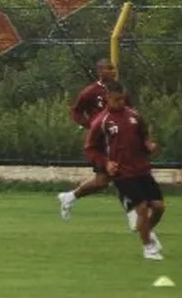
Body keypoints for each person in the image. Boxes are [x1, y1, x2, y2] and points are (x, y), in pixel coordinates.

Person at [84, 81, 165, 260]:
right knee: (141, 208)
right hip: (122, 173)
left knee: (159, 207)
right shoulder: (101, 121)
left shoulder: (134, 115)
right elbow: (90, 148)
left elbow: (144, 137)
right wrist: (105, 163)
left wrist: (149, 145)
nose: (120, 103)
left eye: (122, 99)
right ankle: (148, 248)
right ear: (107, 98)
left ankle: (146, 230)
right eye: (116, 100)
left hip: (142, 169)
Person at [58, 58, 137, 231]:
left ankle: (70, 197)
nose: (113, 71)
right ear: (100, 71)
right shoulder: (90, 92)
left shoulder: (120, 90)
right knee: (110, 179)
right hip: (101, 142)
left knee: (112, 178)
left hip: (119, 139)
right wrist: (91, 125)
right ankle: (132, 215)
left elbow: (131, 111)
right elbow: (76, 111)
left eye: (114, 68)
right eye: (109, 68)